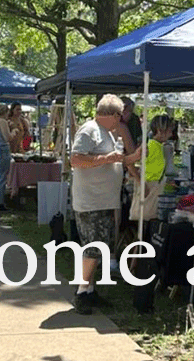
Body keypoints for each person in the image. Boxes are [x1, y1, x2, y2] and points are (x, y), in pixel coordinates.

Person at [69, 94, 141, 314]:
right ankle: (81, 293)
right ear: (112, 114)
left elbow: (118, 160)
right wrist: (106, 159)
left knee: (100, 247)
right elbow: (75, 159)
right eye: (120, 117)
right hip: (91, 201)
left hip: (104, 201)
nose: (121, 122)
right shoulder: (89, 130)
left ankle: (90, 291)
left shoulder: (107, 133)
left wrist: (135, 156)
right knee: (92, 248)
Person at [129, 114, 173, 223]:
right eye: (169, 130)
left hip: (155, 188)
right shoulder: (149, 146)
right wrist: (141, 183)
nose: (171, 134)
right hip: (148, 189)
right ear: (160, 130)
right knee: (144, 219)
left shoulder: (159, 146)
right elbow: (129, 163)